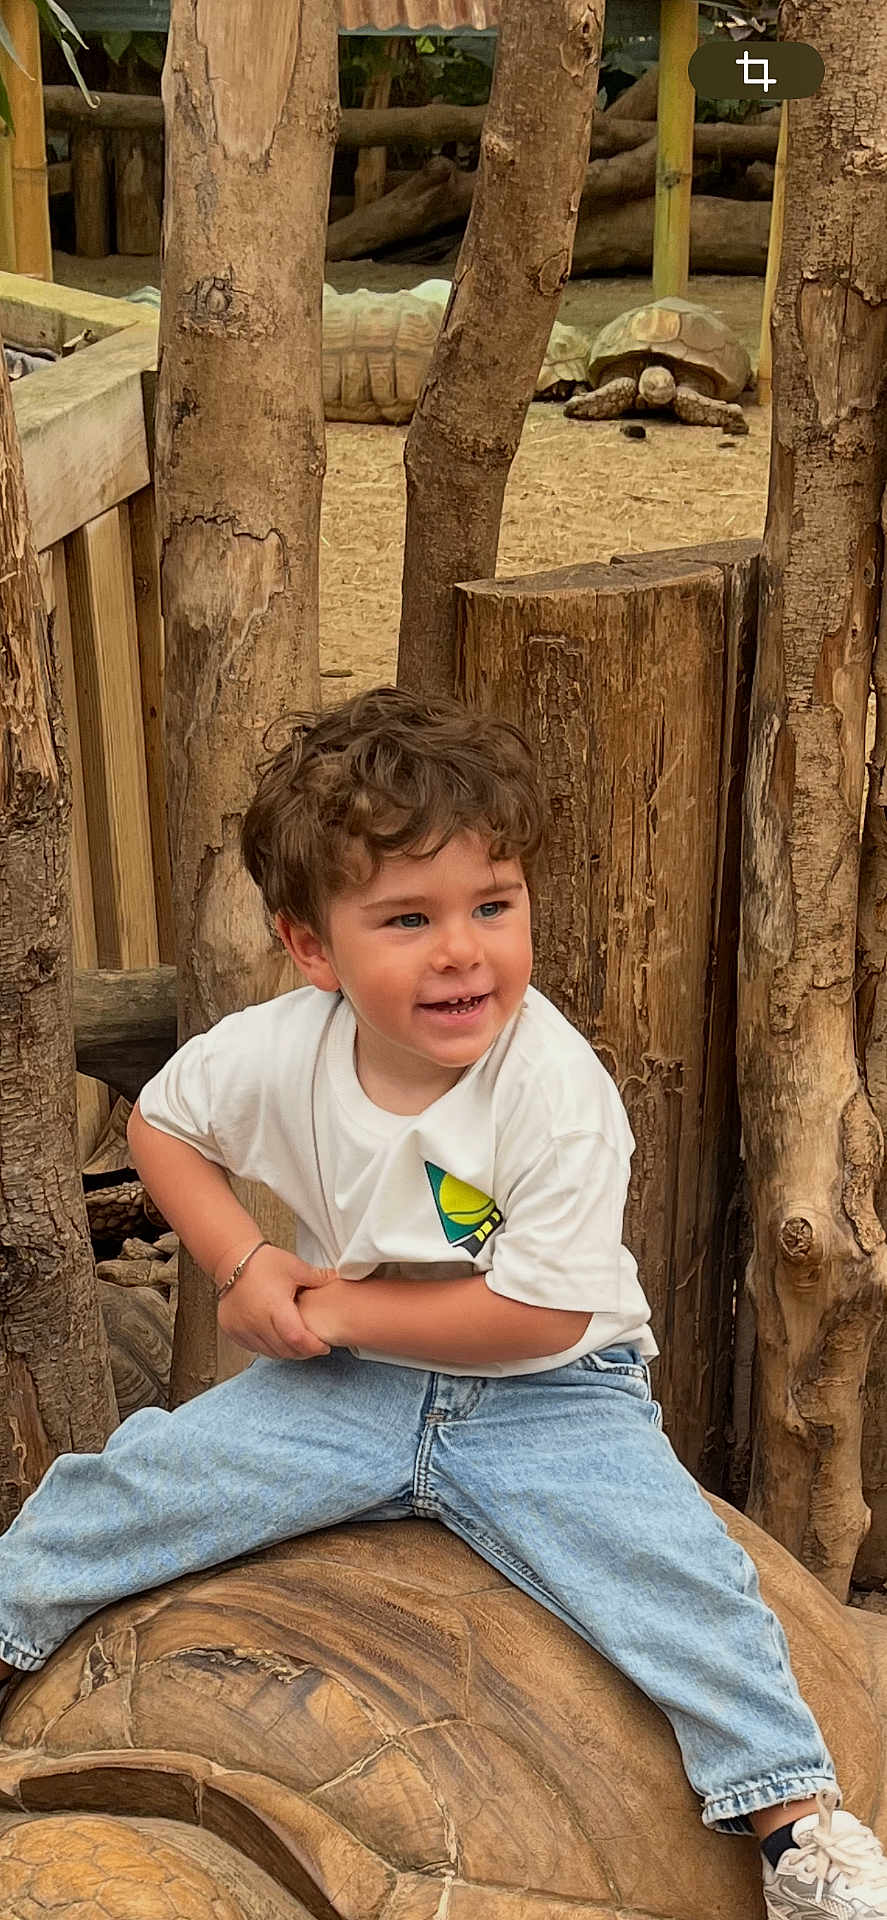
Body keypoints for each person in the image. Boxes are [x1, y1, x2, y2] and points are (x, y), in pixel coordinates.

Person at [0, 684, 884, 1918]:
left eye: (492, 906)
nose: (462, 949)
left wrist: (338, 1314)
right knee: (138, 1484)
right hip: (344, 1389)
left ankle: (793, 1821)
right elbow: (161, 1125)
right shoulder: (280, 1048)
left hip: (549, 1397)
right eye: (407, 919)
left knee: (671, 1572)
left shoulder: (554, 1090)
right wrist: (244, 1268)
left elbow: (537, 1321)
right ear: (314, 948)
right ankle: (10, 1623)